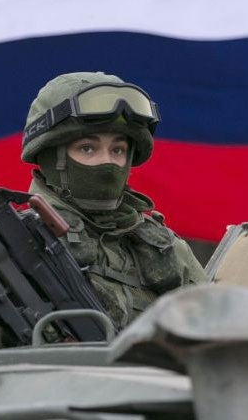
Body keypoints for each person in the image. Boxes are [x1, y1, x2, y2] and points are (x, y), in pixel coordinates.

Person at [22, 71, 207, 329]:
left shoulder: (166, 246)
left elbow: (223, 336)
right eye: (88, 148)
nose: (107, 162)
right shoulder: (15, 244)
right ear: (52, 157)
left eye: (118, 150)